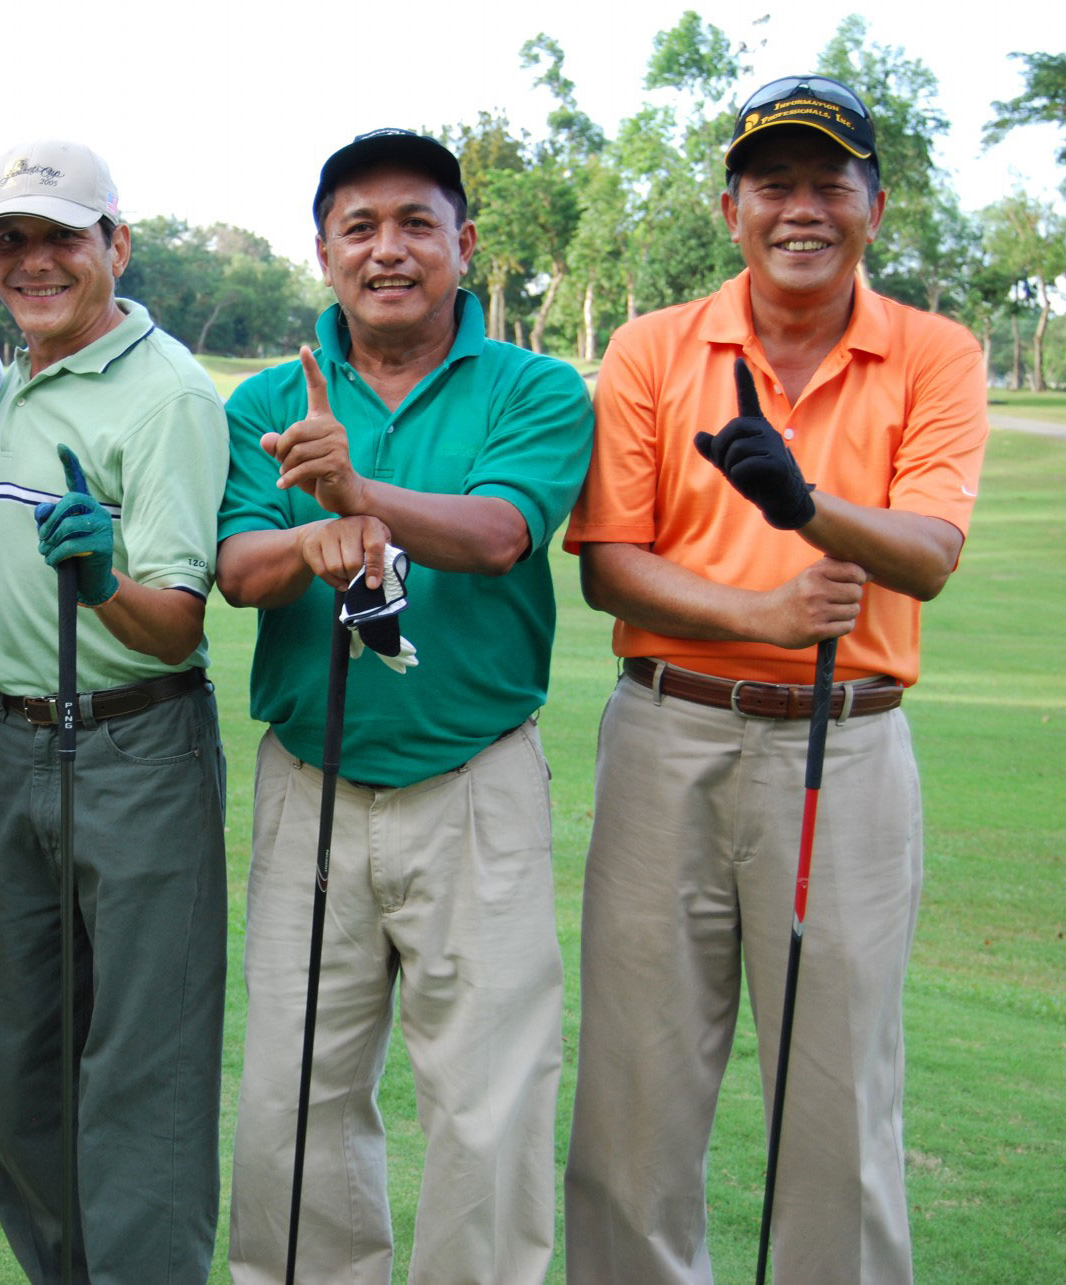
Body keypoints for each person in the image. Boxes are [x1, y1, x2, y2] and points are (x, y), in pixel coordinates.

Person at [562, 75, 989, 1283]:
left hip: (846, 746)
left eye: (828, 185)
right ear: (731, 208)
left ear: (874, 207)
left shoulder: (935, 352)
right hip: (668, 734)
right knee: (636, 1094)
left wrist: (807, 508)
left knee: (838, 1101)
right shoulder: (653, 347)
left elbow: (930, 551)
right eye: (772, 185)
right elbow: (609, 562)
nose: (801, 209)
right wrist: (762, 611)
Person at [216, 129, 593, 1284]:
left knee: (489, 1102)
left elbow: (500, 532)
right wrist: (311, 537)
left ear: (463, 244)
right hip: (310, 782)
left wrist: (354, 491)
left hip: (475, 780)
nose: (389, 249)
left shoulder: (535, 386)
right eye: (361, 227)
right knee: (295, 1101)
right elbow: (238, 568)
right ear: (323, 251)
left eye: (417, 224)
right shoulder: (269, 398)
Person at [0, 139, 229, 1282]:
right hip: (11, 744)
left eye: (61, 237)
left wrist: (104, 582)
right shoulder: (3, 376)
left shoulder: (168, 392)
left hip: (136, 745)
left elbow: (175, 622)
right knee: (19, 1069)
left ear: (115, 244)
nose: (34, 261)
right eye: (10, 239)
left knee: (141, 1075)